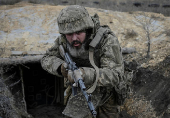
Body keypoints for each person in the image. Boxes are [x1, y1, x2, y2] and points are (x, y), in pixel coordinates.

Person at [41, 5, 124, 118]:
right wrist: (61, 68)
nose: (74, 38)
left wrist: (84, 74)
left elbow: (114, 74)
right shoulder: (63, 41)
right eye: (69, 34)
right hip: (80, 90)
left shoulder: (107, 40)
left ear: (87, 28)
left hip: (107, 91)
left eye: (79, 32)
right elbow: (46, 58)